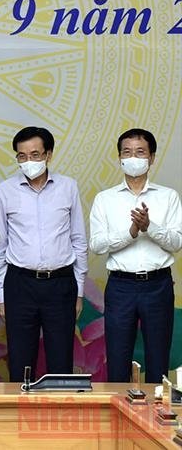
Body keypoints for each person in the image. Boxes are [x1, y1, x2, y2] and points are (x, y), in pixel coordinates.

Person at [0, 126, 88, 382]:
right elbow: (0, 247)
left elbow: (78, 240)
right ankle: (18, 417)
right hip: (19, 284)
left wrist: (78, 291)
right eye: (21, 156)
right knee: (20, 361)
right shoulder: (4, 191)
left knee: (60, 360)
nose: (28, 161)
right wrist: (2, 295)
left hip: (61, 283)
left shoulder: (68, 187)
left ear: (49, 155)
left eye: (35, 154)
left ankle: (57, 419)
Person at [89, 128, 182, 383]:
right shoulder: (104, 199)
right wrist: (131, 232)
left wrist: (149, 227)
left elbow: (176, 242)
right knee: (117, 357)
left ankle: (155, 419)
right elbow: (96, 245)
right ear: (119, 158)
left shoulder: (168, 197)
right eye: (127, 152)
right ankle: (118, 417)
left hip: (158, 285)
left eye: (140, 152)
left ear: (151, 157)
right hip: (121, 286)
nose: (133, 157)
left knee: (158, 357)